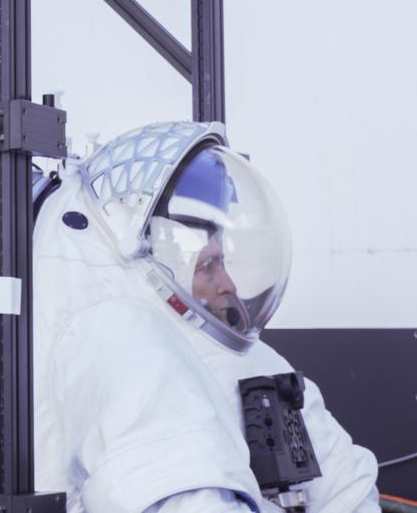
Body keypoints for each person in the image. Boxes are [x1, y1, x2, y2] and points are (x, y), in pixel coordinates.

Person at [31, 121, 379, 512]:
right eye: (208, 266)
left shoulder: (252, 362)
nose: (228, 284)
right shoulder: (127, 354)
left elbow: (349, 491)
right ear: (159, 267)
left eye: (223, 262)